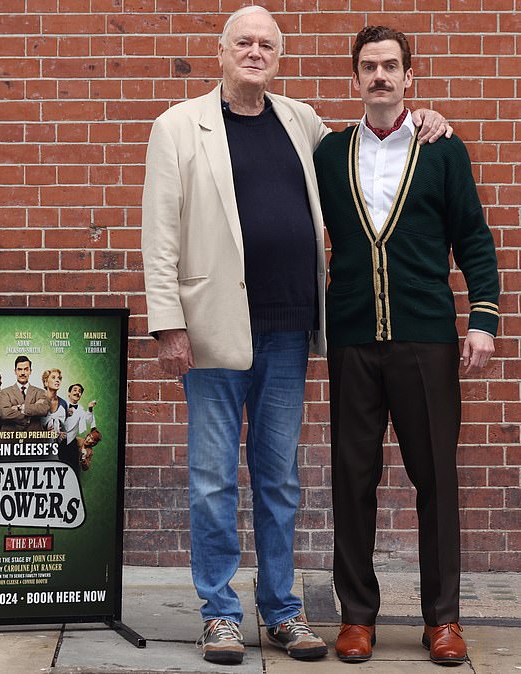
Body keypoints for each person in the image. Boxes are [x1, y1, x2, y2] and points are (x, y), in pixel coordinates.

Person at [142, 6, 449, 666]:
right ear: (221, 53)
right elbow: (160, 232)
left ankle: (281, 610)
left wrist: (429, 119)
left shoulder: (301, 122)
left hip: (287, 333)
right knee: (212, 481)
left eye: (267, 44)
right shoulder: (177, 128)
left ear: (278, 57)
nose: (255, 52)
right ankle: (221, 613)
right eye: (243, 43)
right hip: (213, 334)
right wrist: (168, 324)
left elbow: (369, 142)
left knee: (279, 480)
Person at [313, 25, 500, 666]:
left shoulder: (443, 150)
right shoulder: (329, 154)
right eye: (369, 67)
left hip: (425, 339)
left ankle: (442, 619)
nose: (380, 77)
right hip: (354, 340)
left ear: (409, 77)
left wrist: (482, 319)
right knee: (352, 477)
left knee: (436, 480)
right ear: (355, 78)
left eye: (391, 66)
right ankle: (357, 617)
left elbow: (474, 239)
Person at [0, 356, 49, 434]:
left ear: (30, 371)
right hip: (11, 439)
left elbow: (43, 410)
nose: (22, 373)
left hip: (33, 439)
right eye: (19, 369)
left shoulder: (41, 392)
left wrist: (20, 407)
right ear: (15, 371)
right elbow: (4, 414)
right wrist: (33, 408)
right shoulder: (5, 392)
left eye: (26, 369)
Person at [63, 383, 97, 465]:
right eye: (75, 390)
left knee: (72, 466)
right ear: (69, 393)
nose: (77, 392)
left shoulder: (81, 410)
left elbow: (88, 421)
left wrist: (90, 408)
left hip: (71, 442)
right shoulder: (61, 405)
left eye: (79, 391)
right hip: (58, 441)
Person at [41, 368, 69, 464]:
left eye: (59, 378)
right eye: (53, 377)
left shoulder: (64, 404)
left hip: (58, 450)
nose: (57, 380)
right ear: (45, 382)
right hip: (39, 449)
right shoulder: (38, 401)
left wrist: (61, 434)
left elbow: (64, 427)